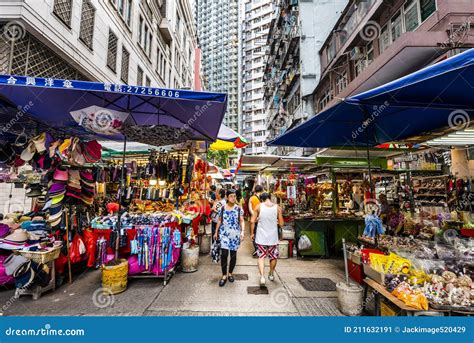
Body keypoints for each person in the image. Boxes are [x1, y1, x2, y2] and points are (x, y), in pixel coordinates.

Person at [250, 192, 284, 287]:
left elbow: (252, 221)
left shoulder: (258, 207)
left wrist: (252, 233)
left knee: (261, 257)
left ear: (261, 199)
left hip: (261, 237)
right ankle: (271, 273)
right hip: (273, 237)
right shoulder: (277, 208)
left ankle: (262, 277)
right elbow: (281, 224)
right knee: (273, 256)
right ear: (270, 198)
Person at [214, 190, 245, 287]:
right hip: (224, 234)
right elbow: (219, 220)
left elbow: (242, 221)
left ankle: (230, 273)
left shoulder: (239, 209)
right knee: (224, 254)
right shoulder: (222, 208)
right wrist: (216, 232)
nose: (233, 198)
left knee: (233, 255)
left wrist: (242, 231)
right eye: (231, 196)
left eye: (234, 196)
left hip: (234, 235)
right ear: (227, 197)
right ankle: (224, 275)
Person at [249, 185, 263, 256]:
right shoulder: (263, 198)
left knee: (253, 233)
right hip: (262, 218)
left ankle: (257, 249)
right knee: (261, 233)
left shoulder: (252, 198)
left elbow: (250, 208)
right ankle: (261, 249)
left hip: (254, 219)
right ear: (261, 190)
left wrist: (255, 215)